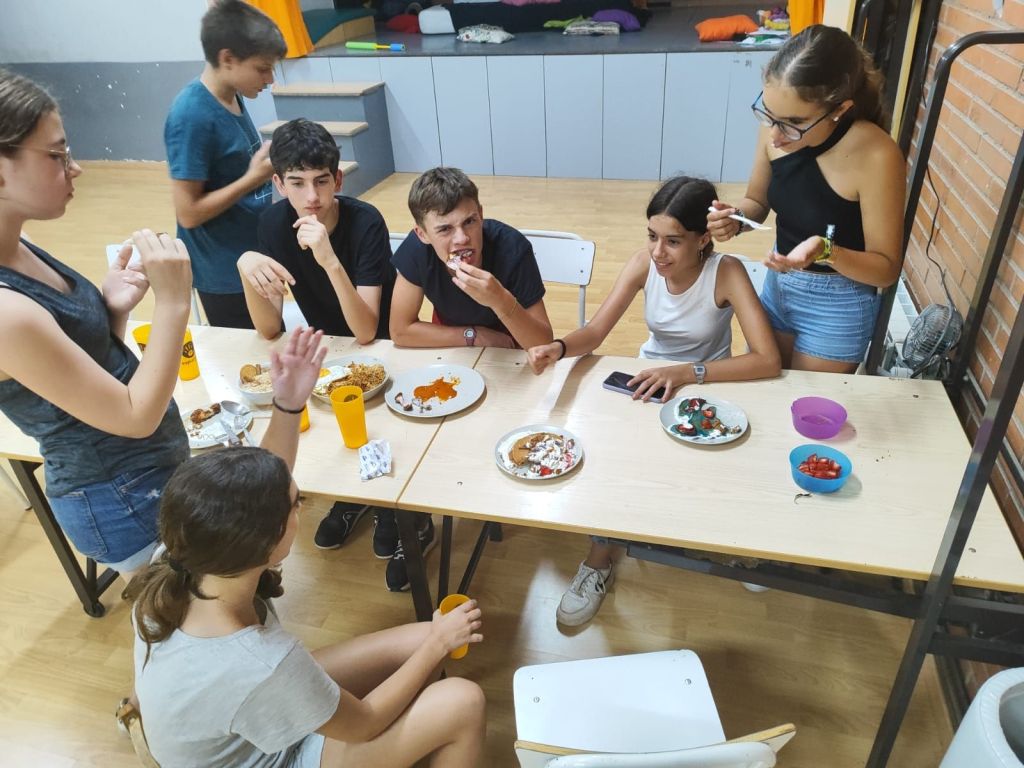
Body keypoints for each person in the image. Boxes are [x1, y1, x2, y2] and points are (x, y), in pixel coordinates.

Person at [128, 328, 487, 768]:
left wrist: (288, 404)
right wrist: (438, 644)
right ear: (267, 542)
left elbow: (260, 491)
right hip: (275, 753)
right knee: (462, 700)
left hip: (251, 712)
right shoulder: (260, 663)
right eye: (297, 504)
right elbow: (365, 722)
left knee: (423, 642)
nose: (301, 506)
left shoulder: (185, 553)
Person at [527, 176, 781, 626]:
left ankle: (737, 542)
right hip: (649, 380)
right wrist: (560, 347)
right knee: (608, 456)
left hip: (706, 383)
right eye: (652, 237)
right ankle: (600, 555)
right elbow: (596, 331)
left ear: (704, 239)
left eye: (673, 241)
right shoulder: (644, 264)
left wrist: (687, 372)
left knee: (719, 469)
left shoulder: (726, 272)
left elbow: (767, 359)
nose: (658, 252)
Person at [0, 69, 193, 581]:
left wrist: (112, 309)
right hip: (121, 497)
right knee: (196, 616)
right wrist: (174, 304)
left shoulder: (17, 243)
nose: (76, 168)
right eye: (56, 156)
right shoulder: (4, 312)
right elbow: (134, 416)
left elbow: (72, 364)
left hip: (141, 473)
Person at [237, 117, 397, 559]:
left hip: (384, 350)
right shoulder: (273, 224)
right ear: (278, 184)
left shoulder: (365, 222)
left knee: (378, 430)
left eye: (322, 181)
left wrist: (329, 259)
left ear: (338, 180)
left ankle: (393, 508)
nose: (312, 196)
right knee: (328, 432)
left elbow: (366, 330)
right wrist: (246, 267)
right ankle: (354, 497)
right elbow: (268, 328)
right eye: (297, 183)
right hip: (329, 354)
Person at [707, 24, 905, 374]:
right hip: (778, 288)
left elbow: (886, 269)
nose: (775, 135)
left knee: (804, 403)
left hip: (838, 303)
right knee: (765, 391)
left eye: (793, 123)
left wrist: (826, 251)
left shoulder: (877, 154)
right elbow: (757, 201)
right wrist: (735, 219)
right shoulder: (775, 128)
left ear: (839, 109)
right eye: (768, 114)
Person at [165, 0, 286, 329]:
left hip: (252, 256)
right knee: (255, 356)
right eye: (262, 68)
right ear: (228, 59)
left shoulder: (232, 94)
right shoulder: (191, 115)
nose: (270, 79)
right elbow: (188, 213)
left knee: (276, 345)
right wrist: (253, 178)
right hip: (224, 273)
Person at [390, 166, 554, 351]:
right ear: (422, 234)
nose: (462, 239)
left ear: (481, 215)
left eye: (469, 221)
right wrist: (472, 335)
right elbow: (399, 331)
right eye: (445, 229)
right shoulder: (417, 250)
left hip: (512, 347)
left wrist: (500, 300)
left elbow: (543, 344)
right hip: (451, 345)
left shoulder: (512, 247)